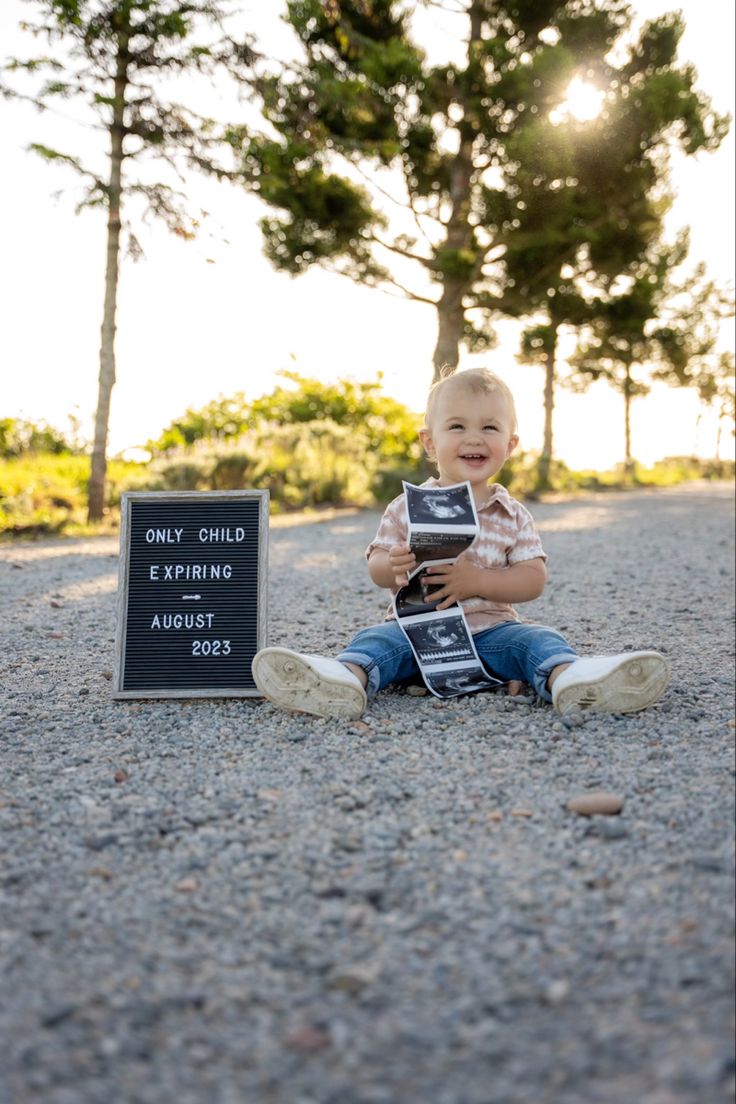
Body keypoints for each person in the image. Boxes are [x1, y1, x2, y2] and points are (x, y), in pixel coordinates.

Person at [252, 368, 670, 720]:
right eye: (457, 426)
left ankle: (574, 681)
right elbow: (377, 563)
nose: (474, 438)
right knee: (376, 641)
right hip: (416, 633)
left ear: (509, 445)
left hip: (491, 633)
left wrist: (478, 580)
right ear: (430, 443)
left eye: (489, 427)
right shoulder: (406, 507)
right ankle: (342, 682)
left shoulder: (512, 513)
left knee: (538, 640)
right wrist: (392, 566)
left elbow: (532, 580)